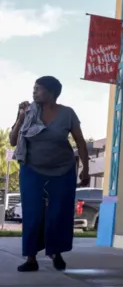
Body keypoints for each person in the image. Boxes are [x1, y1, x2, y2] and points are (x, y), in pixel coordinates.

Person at [9, 76, 90, 272]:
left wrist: (85, 169)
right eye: (33, 88)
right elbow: (12, 141)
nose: (34, 92)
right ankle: (30, 258)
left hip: (62, 169)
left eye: (38, 88)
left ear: (52, 92)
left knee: (58, 213)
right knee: (32, 212)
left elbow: (80, 141)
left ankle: (56, 252)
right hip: (32, 168)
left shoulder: (67, 113)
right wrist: (20, 117)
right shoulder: (28, 112)